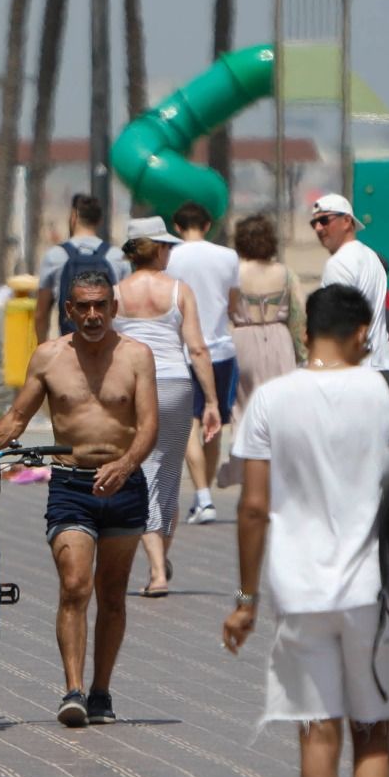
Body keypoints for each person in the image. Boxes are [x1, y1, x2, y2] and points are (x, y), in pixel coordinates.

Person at [221, 283, 389, 777]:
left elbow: (253, 507)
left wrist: (246, 599)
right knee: (374, 729)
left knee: (318, 731)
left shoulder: (271, 401)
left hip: (299, 589)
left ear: (306, 329)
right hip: (374, 587)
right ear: (363, 331)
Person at [0, 269, 156, 727]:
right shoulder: (49, 358)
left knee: (112, 596)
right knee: (76, 586)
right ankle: (72, 690)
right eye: (83, 306)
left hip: (124, 485)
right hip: (72, 486)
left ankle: (101, 691)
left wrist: (126, 464)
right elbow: (17, 418)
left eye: (101, 305)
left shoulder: (137, 357)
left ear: (114, 307)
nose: (92, 315)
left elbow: (150, 425)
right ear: (68, 310)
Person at [115, 217, 220, 597]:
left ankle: (158, 567)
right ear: (158, 249)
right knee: (169, 475)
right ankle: (160, 563)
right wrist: (211, 401)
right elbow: (197, 348)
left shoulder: (116, 293)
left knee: (143, 472)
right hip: (176, 385)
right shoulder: (179, 291)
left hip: (134, 387)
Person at [165, 202, 240, 526]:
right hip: (221, 349)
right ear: (208, 225)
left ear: (178, 227)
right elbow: (233, 304)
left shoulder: (170, 257)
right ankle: (204, 495)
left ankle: (203, 497)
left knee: (189, 427)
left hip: (184, 349)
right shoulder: (228, 257)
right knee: (215, 427)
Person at [232, 213, 306, 422]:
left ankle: (245, 452)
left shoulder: (235, 273)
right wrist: (301, 352)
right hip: (279, 339)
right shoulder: (286, 274)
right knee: (282, 407)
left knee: (243, 409)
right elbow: (299, 315)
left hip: (243, 338)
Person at [311, 194, 389, 369]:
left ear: (347, 221)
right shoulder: (371, 256)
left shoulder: (339, 263)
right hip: (383, 362)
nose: (318, 228)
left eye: (324, 220)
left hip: (356, 369)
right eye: (314, 223)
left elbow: (337, 323)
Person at [33, 194, 130, 344]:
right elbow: (124, 310)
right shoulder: (117, 256)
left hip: (70, 345)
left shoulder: (55, 256)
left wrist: (42, 347)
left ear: (73, 217)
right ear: (99, 220)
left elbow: (41, 313)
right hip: (107, 349)